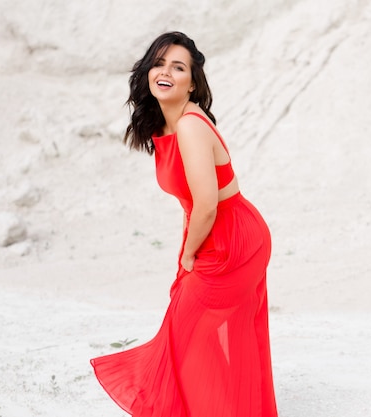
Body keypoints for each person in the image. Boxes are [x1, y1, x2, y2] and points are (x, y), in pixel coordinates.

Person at [90, 31, 279, 417]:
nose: (165, 72)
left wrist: (190, 254)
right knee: (192, 332)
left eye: (178, 67)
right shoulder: (164, 127)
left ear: (192, 82)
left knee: (184, 330)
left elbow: (207, 205)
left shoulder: (191, 125)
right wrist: (185, 254)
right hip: (213, 233)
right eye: (158, 64)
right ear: (146, 73)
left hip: (235, 240)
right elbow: (190, 203)